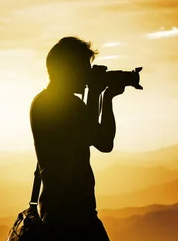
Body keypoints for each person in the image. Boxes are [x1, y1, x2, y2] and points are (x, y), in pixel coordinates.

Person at [29, 36, 124, 241]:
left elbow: (86, 132)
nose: (87, 74)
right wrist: (104, 97)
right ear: (68, 69)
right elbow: (104, 141)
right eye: (83, 67)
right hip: (75, 217)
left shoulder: (41, 102)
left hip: (55, 211)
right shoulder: (67, 105)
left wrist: (98, 95)